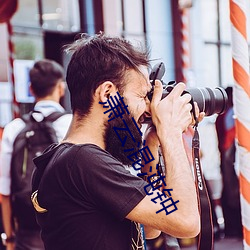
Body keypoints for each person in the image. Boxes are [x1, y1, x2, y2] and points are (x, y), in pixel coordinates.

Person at [31, 33, 202, 250]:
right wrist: (171, 133)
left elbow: (150, 228)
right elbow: (186, 221)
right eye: (142, 96)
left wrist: (152, 142)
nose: (149, 109)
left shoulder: (71, 158)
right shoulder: (83, 162)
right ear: (107, 93)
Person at [0, 59, 72, 250]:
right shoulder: (71, 124)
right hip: (67, 230)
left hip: (27, 233)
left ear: (31, 89)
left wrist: (9, 239)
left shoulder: (14, 128)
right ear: (60, 88)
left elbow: (5, 191)